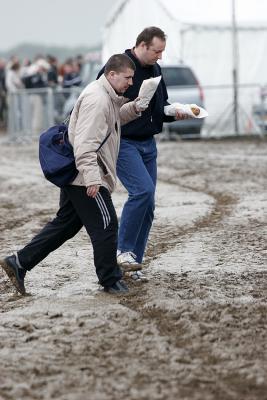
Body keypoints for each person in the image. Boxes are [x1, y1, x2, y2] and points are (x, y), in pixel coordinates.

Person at [0, 54, 146, 295]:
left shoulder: (106, 96)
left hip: (78, 172)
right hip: (85, 175)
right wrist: (92, 180)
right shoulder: (98, 100)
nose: (131, 83)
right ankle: (110, 279)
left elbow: (113, 119)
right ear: (111, 75)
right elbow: (85, 144)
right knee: (107, 225)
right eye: (128, 78)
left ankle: (19, 262)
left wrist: (135, 108)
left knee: (65, 225)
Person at [97, 27, 189, 281]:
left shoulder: (156, 70)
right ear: (142, 45)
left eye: (162, 51)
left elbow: (161, 106)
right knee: (142, 192)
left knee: (148, 203)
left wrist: (176, 112)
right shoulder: (118, 67)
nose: (160, 56)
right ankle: (123, 252)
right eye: (157, 51)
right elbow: (102, 105)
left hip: (149, 143)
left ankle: (134, 263)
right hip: (124, 142)